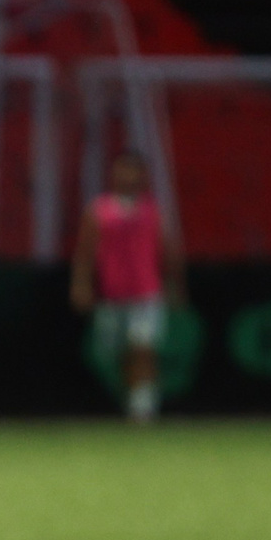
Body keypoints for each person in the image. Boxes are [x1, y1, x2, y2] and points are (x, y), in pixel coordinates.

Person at [70, 148, 183, 423]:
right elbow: (84, 253)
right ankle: (130, 399)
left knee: (143, 348)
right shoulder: (99, 210)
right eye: (123, 169)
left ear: (143, 175)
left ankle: (143, 410)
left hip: (146, 292)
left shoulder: (154, 210)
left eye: (134, 170)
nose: (127, 175)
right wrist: (81, 285)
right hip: (112, 294)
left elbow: (167, 251)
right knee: (116, 353)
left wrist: (174, 284)